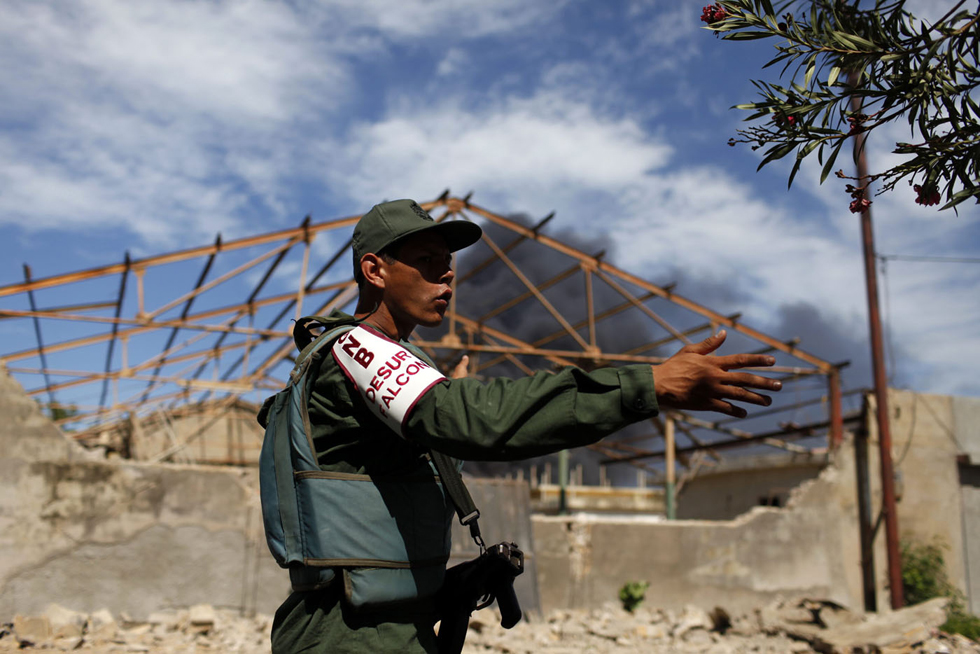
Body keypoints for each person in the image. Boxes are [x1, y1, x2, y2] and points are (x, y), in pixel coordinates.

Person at [268, 199, 782, 653]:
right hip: (348, 634)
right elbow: (479, 419)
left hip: (393, 624)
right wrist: (644, 385)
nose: (446, 276)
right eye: (426, 263)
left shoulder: (398, 360)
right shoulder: (352, 346)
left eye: (448, 266)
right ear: (375, 270)